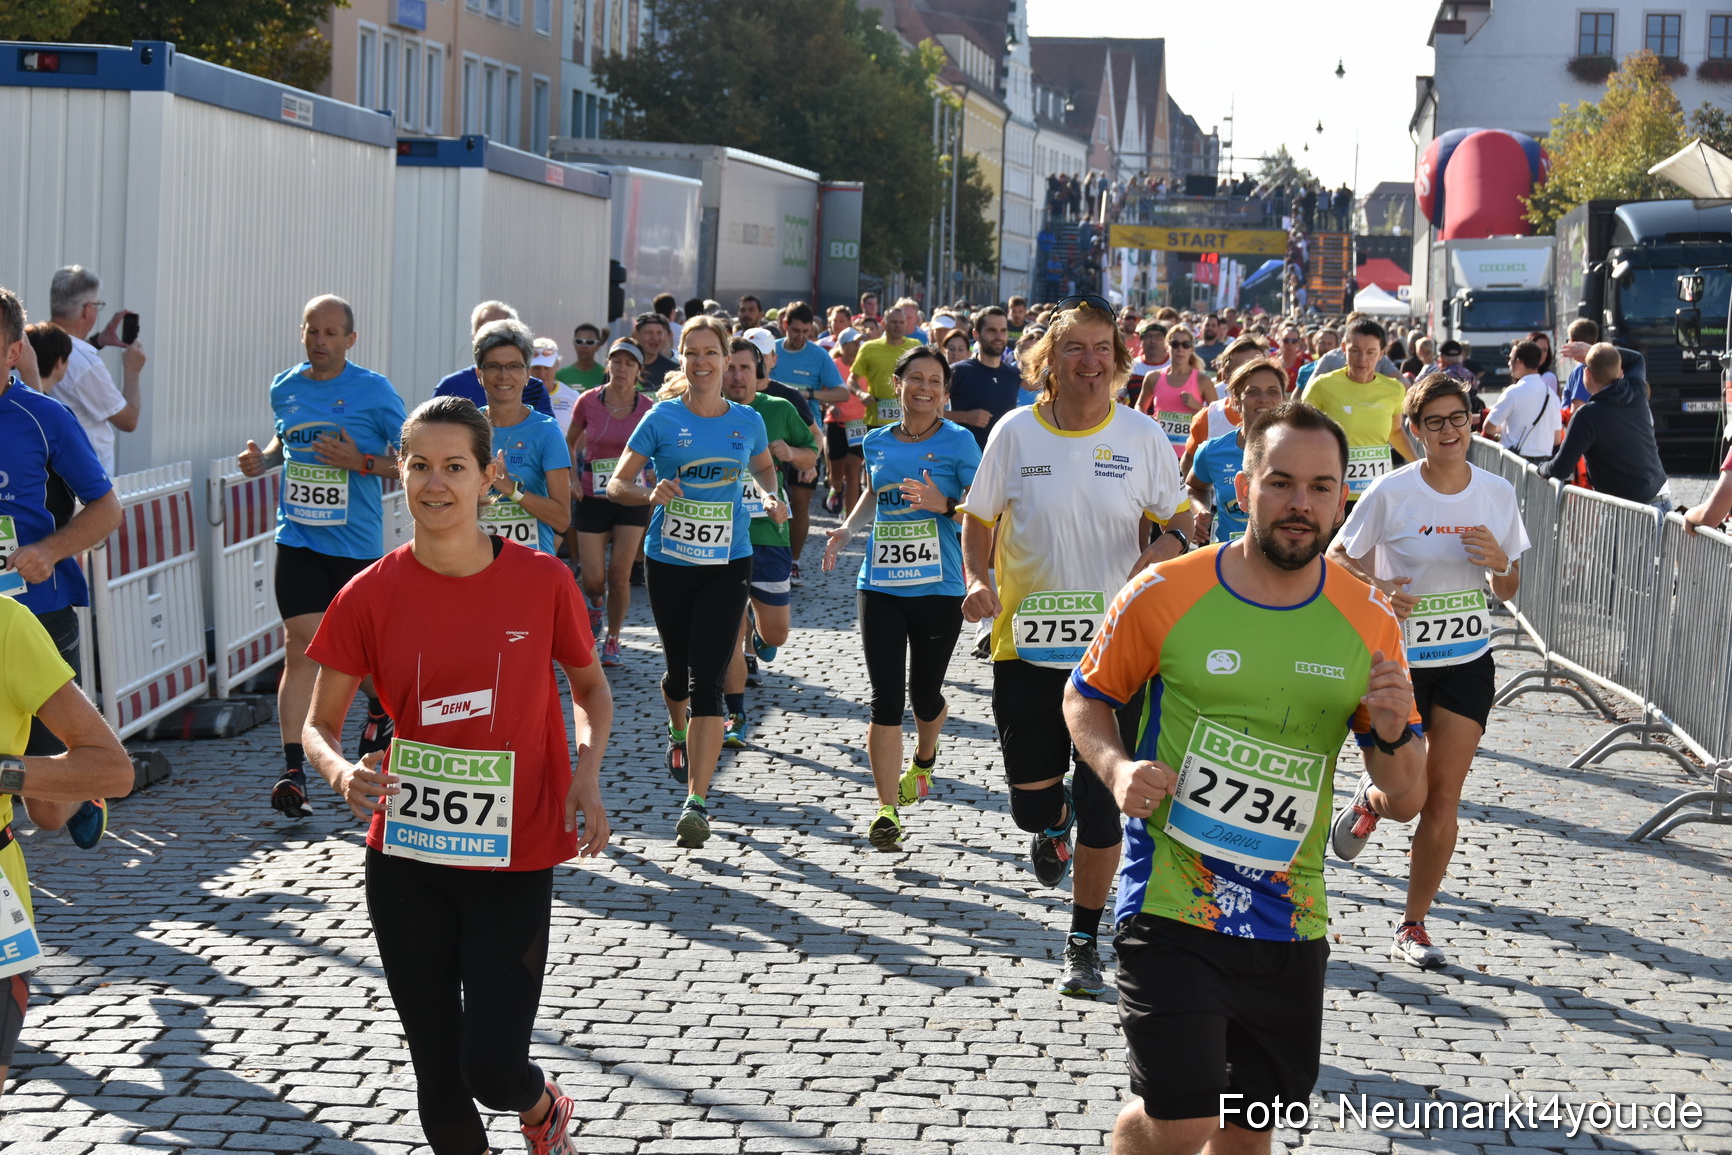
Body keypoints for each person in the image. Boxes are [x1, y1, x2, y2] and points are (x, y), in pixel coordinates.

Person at [1062, 401, 1426, 1155]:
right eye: (1282, 482)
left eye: (1322, 487)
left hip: (1290, 917)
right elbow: (1087, 696)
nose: (1302, 503)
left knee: (1245, 1130)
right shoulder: (1167, 590)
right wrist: (1116, 765)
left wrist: (1392, 733)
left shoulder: (1369, 620)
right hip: (1170, 898)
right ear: (1243, 486)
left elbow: (1406, 793)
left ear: (1340, 499)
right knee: (1182, 1117)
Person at [301, 395, 611, 1155]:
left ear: (486, 476)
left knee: (492, 1067)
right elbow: (316, 723)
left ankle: (540, 1106)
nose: (435, 484)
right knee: (438, 1077)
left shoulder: (541, 582)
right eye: (419, 466)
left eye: (454, 467)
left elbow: (591, 688)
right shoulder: (368, 592)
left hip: (515, 848)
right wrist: (342, 773)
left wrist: (587, 772)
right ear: (399, 473)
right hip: (407, 849)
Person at [960, 293, 1190, 999]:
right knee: (1033, 803)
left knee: (1104, 804)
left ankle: (1084, 938)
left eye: (1101, 348)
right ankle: (1048, 821)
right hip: (1026, 648)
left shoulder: (1144, 436)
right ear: (1048, 361)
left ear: (1118, 361)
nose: (1089, 362)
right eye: (1073, 349)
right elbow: (978, 517)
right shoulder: (1014, 434)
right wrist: (975, 576)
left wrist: (1160, 553)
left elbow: (1179, 520)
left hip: (1118, 656)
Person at [1327, 373, 1527, 969]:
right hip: (1399, 665)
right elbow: (1338, 560)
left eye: (1458, 418)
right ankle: (1372, 801)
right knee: (1407, 800)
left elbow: (1509, 587)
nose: (1448, 431)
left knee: (1444, 797)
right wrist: (1378, 587)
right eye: (1434, 421)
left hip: (1467, 660)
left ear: (1473, 422)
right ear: (1413, 430)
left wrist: (1500, 565)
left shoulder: (1497, 491)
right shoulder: (1392, 492)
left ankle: (1413, 925)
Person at [607, 317, 787, 848]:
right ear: (682, 360)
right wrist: (649, 493)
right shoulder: (661, 418)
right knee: (678, 673)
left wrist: (770, 497)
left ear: (728, 359)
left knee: (707, 678)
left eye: (713, 353)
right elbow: (617, 484)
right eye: (694, 353)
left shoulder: (748, 420)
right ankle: (677, 728)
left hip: (728, 560)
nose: (703, 362)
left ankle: (697, 801)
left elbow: (762, 470)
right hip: (668, 561)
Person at [237, 295, 408, 818]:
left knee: (366, 654)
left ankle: (379, 705)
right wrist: (262, 460)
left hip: (354, 547)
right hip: (298, 540)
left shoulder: (373, 391)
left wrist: (361, 460)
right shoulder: (284, 386)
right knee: (302, 644)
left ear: (350, 340)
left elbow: (411, 461)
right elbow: (284, 442)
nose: (320, 341)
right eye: (312, 331)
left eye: (332, 333)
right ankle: (293, 770)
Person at [822, 345, 980, 848]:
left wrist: (945, 504)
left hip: (939, 586)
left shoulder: (961, 443)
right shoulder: (876, 441)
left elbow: (984, 514)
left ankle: (926, 756)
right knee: (885, 698)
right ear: (898, 384)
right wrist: (848, 528)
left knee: (924, 696)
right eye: (916, 378)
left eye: (935, 381)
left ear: (945, 391)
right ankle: (886, 809)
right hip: (881, 583)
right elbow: (875, 491)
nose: (925, 389)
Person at [0, 596, 135, 1098]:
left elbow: (115, 770)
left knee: (48, 809)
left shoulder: (7, 623)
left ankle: (76, 799)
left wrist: (2, 772)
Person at [719, 338, 817, 747]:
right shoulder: (705, 412)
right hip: (720, 538)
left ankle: (760, 637)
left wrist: (790, 452)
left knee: (776, 634)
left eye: (746, 368)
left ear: (759, 372)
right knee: (729, 630)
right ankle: (736, 716)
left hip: (768, 535)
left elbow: (814, 453)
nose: (738, 376)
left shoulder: (779, 409)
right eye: (731, 367)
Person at [567, 339, 654, 666]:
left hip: (631, 496)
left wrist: (655, 480)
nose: (622, 369)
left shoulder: (648, 408)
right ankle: (595, 604)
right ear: (609, 366)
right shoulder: (588, 402)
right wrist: (572, 478)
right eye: (617, 362)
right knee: (593, 579)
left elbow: (657, 446)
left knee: (619, 574)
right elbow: (569, 442)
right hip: (593, 496)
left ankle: (614, 639)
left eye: (629, 364)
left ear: (638, 371)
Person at [475, 322, 572, 557]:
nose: (504, 375)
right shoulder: (468, 427)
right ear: (479, 374)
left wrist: (510, 489)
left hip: (531, 564)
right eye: (494, 366)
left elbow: (562, 520)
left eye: (514, 366)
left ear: (527, 374)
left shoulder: (546, 431)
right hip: (475, 564)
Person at [1301, 318, 1416, 506]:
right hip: (1332, 494)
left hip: (1376, 494)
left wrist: (1418, 464)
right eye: (1354, 351)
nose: (1362, 359)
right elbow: (1302, 436)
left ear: (1381, 354)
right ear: (1344, 348)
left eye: (1371, 352)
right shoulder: (1321, 386)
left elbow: (1395, 432)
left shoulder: (1394, 390)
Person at [46, 265, 145, 475]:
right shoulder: (84, 362)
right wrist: (132, 371)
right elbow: (128, 420)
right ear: (88, 310)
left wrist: (97, 341)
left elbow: (69, 362)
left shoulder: (32, 342)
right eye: (98, 305)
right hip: (85, 484)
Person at [1541, 342, 1667, 505]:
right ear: (1619, 371)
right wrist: (1592, 351)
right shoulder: (1636, 392)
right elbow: (1636, 358)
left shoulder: (1586, 416)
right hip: (1660, 502)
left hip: (1626, 512)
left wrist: (1541, 468)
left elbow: (1560, 469)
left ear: (1586, 373)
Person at [1185, 357, 1289, 543]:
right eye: (1253, 392)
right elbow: (1193, 487)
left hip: (1283, 562)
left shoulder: (1302, 452)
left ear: (1284, 399)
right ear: (1235, 400)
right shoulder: (1213, 450)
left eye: (1272, 392)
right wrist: (1200, 511)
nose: (1263, 399)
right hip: (1227, 560)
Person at [433, 302, 553, 418]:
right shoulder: (450, 387)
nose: (504, 376)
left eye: (501, 330)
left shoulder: (534, 388)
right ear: (474, 336)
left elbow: (545, 431)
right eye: (485, 330)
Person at [947, 306, 1021, 450]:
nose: (998, 336)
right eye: (991, 330)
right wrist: (964, 417)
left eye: (1003, 330)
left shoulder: (1013, 375)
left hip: (1003, 459)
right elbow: (931, 413)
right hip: (965, 460)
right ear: (976, 334)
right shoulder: (958, 371)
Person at [1136, 324, 1212, 453]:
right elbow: (1140, 406)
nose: (1180, 349)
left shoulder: (1202, 380)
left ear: (1191, 348)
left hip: (1190, 453)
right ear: (1167, 347)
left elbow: (1217, 416)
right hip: (1159, 449)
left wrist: (1197, 406)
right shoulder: (1153, 377)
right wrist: (1146, 417)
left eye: (1186, 344)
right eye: (1175, 344)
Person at [1482, 340, 1561, 464]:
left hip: (1515, 464)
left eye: (1510, 359)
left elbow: (1489, 427)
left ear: (1519, 362)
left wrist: (1504, 431)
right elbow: (1557, 439)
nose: (1508, 363)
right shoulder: (1552, 395)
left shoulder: (1513, 392)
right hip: (1543, 468)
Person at [823, 328, 869, 518]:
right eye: (852, 343)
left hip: (859, 424)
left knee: (853, 469)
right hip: (837, 424)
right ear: (842, 346)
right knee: (836, 475)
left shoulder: (865, 366)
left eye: (858, 342)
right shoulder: (833, 365)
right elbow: (823, 391)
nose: (857, 346)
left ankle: (850, 518)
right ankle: (837, 490)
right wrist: (830, 404)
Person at [852, 305, 921, 431]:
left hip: (909, 418)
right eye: (894, 322)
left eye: (901, 322)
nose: (898, 326)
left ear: (906, 324)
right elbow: (851, 380)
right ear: (883, 324)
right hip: (875, 418)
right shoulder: (869, 348)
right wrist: (860, 393)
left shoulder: (915, 346)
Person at [529, 338, 579, 436]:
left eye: (547, 368)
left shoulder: (573, 397)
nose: (542, 374)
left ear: (557, 365)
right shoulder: (517, 396)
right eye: (536, 368)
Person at [633, 313, 680, 391]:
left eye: (659, 333)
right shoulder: (624, 368)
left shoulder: (674, 371)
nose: (655, 338)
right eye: (649, 333)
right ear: (637, 335)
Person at [554, 323, 608, 392]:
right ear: (574, 344)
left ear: (597, 346)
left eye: (589, 342)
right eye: (579, 341)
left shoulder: (605, 376)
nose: (583, 346)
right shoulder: (560, 376)